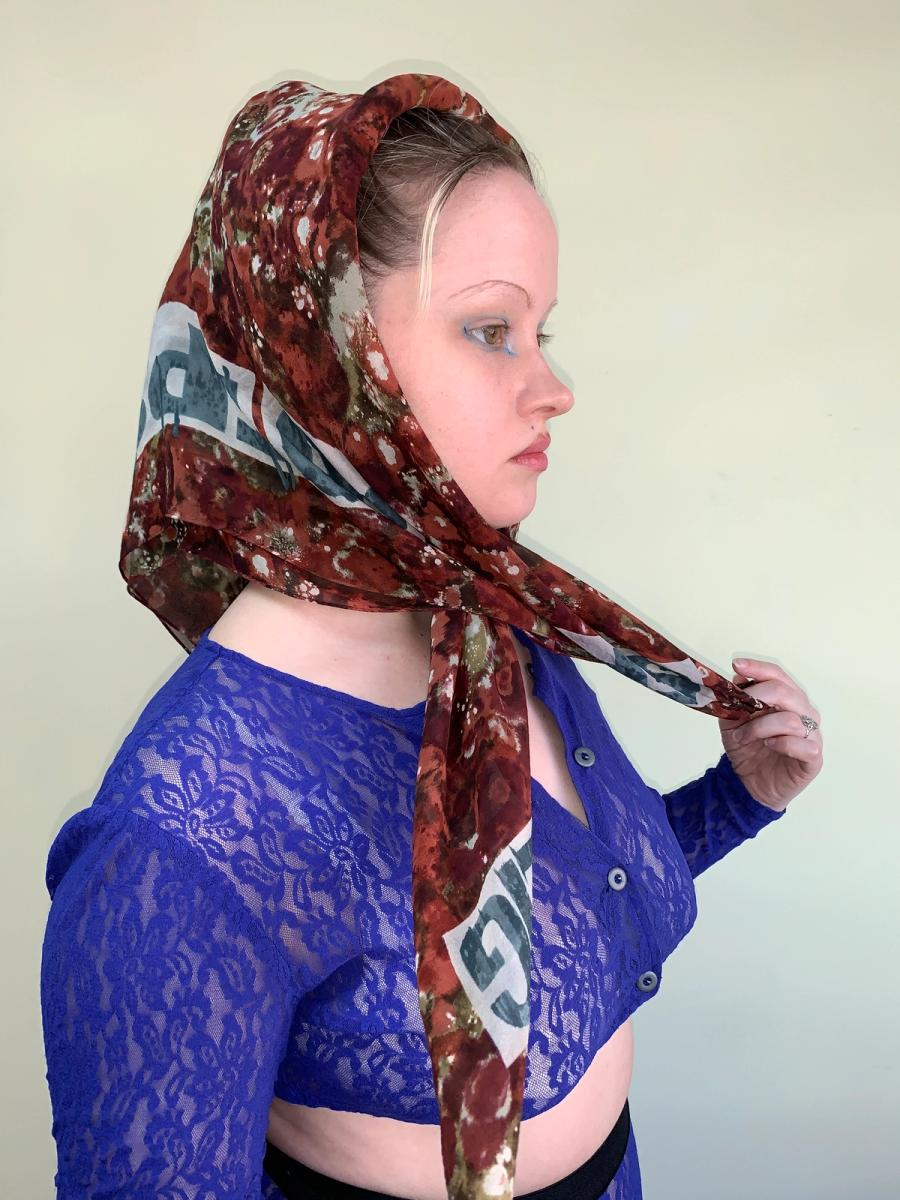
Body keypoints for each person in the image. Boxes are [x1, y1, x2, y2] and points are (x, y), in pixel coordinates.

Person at [40, 75, 822, 1200]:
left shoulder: (489, 626)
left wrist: (738, 798)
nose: (553, 387)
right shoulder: (182, 850)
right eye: (491, 330)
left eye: (542, 332)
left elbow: (554, 915)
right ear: (325, 358)